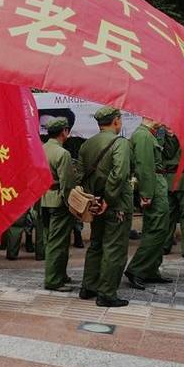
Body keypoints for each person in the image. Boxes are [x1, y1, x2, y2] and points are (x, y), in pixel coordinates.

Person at [77, 106, 133, 307]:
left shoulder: (86, 145)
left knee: (96, 245)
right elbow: (119, 174)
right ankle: (107, 294)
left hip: (95, 203)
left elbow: (81, 176)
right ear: (116, 121)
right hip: (116, 204)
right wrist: (108, 199)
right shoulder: (121, 144)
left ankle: (88, 286)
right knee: (115, 249)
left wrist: (94, 201)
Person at [124, 117, 174, 288]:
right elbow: (144, 167)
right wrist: (146, 193)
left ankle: (151, 270)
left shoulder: (149, 135)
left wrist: (170, 135)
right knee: (157, 229)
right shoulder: (143, 136)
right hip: (153, 185)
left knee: (158, 228)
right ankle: (136, 269)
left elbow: (168, 154)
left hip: (157, 182)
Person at [40, 117, 77, 292]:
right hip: (59, 202)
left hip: (43, 200)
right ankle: (54, 280)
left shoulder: (40, 150)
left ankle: (60, 274)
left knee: (51, 240)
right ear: (64, 131)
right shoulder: (63, 154)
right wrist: (71, 205)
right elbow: (67, 184)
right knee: (58, 242)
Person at [162, 131, 184, 258]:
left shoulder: (163, 135)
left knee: (169, 214)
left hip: (169, 179)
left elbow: (165, 154)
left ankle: (165, 246)